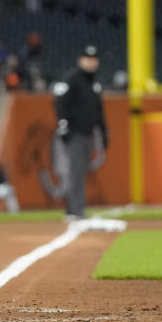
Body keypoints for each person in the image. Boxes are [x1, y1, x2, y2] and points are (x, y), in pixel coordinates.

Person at [52, 45, 108, 221]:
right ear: (81, 60)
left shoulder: (94, 82)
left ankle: (75, 209)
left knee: (80, 172)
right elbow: (60, 102)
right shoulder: (72, 79)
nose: (91, 62)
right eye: (87, 59)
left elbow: (99, 111)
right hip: (75, 133)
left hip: (88, 133)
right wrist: (63, 125)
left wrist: (104, 132)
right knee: (75, 171)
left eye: (93, 59)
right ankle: (75, 211)